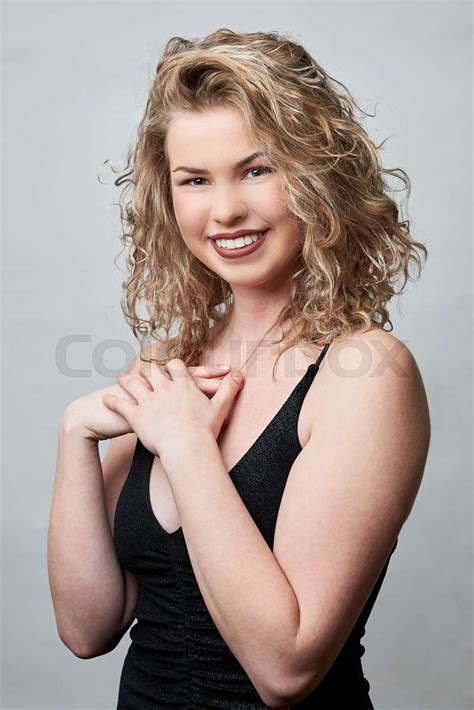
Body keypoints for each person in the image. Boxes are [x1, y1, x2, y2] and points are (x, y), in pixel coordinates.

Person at [47, 28, 431, 708]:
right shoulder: (167, 365)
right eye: (195, 180)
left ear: (317, 175)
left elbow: (286, 670)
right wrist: (76, 436)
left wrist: (189, 445)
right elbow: (87, 628)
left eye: (257, 170)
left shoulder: (367, 374)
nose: (225, 210)